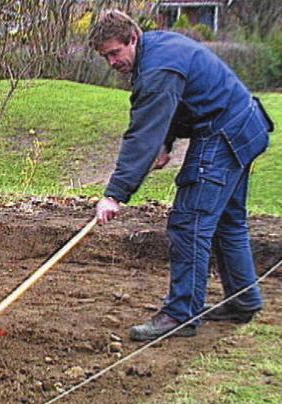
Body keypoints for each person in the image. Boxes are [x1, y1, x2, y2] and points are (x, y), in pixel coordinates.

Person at [88, 10, 274, 341]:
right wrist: (166, 141)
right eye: (105, 57)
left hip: (225, 133)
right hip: (245, 125)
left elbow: (141, 134)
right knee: (227, 222)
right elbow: (176, 103)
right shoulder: (157, 49)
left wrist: (115, 194)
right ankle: (241, 301)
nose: (111, 62)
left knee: (189, 223)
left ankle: (181, 313)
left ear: (133, 38)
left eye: (114, 53)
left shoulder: (158, 68)